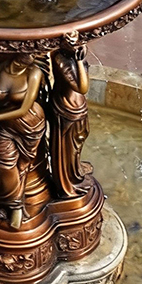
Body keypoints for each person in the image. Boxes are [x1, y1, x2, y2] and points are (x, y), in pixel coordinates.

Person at [0, 54, 47, 229]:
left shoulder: (34, 73)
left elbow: (23, 109)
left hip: (29, 124)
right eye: (22, 56)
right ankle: (16, 207)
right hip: (3, 124)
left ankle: (10, 204)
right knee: (4, 164)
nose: (27, 58)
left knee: (22, 167)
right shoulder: (0, 67)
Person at [50, 33, 91, 198]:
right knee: (67, 147)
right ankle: (66, 183)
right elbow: (82, 87)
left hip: (77, 106)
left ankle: (74, 170)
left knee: (79, 140)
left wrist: (80, 50)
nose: (79, 46)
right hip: (67, 108)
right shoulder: (61, 61)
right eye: (73, 44)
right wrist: (80, 61)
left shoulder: (68, 55)